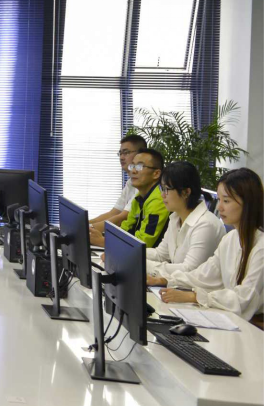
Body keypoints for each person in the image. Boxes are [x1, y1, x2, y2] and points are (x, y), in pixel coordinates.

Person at [157, 168, 264, 319]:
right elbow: (204, 275)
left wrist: (194, 297)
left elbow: (244, 298)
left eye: (226, 201)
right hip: (237, 319)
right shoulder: (230, 239)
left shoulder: (260, 247)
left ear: (248, 203)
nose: (219, 207)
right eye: (219, 200)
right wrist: (165, 280)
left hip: (255, 325)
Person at [145, 161, 226, 280]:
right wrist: (134, 253)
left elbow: (189, 270)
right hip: (179, 285)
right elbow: (161, 254)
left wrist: (144, 264)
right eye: (162, 188)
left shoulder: (205, 224)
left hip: (197, 288)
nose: (162, 195)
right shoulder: (175, 217)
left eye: (166, 189)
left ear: (186, 192)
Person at [89, 135, 146, 246]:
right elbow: (114, 213)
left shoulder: (143, 185)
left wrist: (87, 230)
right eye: (120, 153)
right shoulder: (130, 183)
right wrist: (86, 224)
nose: (121, 157)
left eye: (126, 153)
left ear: (140, 154)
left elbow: (122, 217)